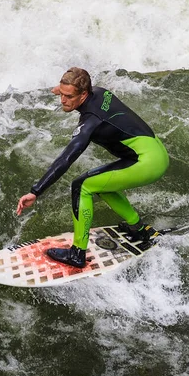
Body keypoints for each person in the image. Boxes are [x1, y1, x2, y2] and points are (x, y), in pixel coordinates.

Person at [16, 67, 169, 268]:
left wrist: (36, 191)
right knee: (100, 182)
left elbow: (66, 159)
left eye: (68, 96)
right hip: (157, 153)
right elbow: (74, 85)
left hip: (147, 162)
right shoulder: (99, 91)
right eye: (61, 94)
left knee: (82, 186)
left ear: (83, 94)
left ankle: (77, 253)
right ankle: (137, 229)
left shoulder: (91, 121)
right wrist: (62, 89)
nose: (63, 100)